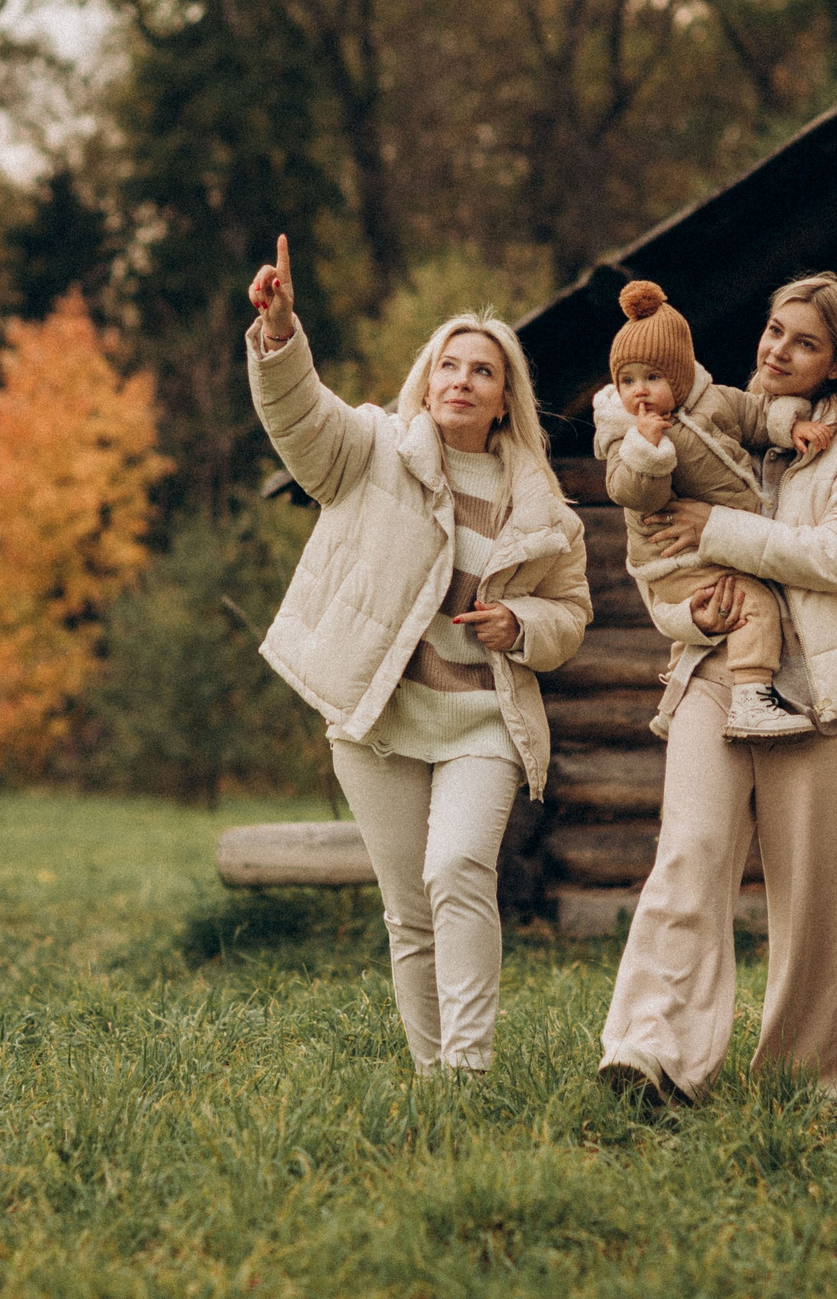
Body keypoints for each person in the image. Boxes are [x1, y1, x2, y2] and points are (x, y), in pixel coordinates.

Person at [245, 234, 592, 1076]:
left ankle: (470, 1070)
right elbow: (301, 416)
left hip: (484, 720)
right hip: (382, 717)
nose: (461, 380)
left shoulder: (547, 510)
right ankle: (433, 1075)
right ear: (425, 380)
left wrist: (524, 624)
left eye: (482, 369)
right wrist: (282, 335)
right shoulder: (370, 449)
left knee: (460, 867)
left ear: (506, 398)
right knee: (410, 909)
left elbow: (571, 613)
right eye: (449, 365)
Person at [598, 273, 837, 1102]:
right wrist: (692, 616)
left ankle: (801, 1082)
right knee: (689, 851)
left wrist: (721, 528)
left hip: (823, 688)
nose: (777, 350)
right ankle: (651, 1055)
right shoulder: (711, 422)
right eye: (775, 330)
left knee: (806, 894)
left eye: (804, 342)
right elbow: (657, 557)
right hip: (714, 670)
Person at [593, 280, 836, 740]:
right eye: (627, 380)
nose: (639, 392)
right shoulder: (626, 436)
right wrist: (649, 449)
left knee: (735, 606)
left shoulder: (715, 400)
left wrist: (794, 426)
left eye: (653, 378)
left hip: (720, 544)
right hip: (673, 557)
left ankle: (679, 698)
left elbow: (757, 415)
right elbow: (632, 494)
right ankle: (750, 699)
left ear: (681, 375)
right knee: (753, 606)